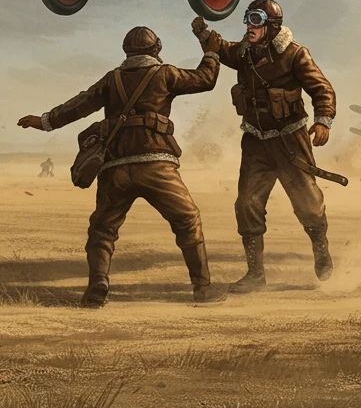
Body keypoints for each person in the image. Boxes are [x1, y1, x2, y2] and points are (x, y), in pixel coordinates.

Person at [17, 27, 225, 307]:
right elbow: (205, 79)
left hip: (115, 168)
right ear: (156, 50)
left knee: (102, 229)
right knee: (187, 220)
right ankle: (203, 288)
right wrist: (211, 52)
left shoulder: (112, 79)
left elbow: (80, 104)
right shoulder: (165, 74)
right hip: (156, 165)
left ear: (126, 51)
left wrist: (44, 121)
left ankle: (97, 285)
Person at [192, 0, 337, 292]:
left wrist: (323, 120)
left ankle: (320, 250)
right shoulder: (244, 53)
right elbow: (224, 49)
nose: (249, 26)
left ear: (272, 26)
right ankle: (255, 274)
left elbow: (322, 89)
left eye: (255, 20)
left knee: (307, 203)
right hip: (255, 142)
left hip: (289, 141)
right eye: (247, 19)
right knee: (247, 205)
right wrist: (204, 34)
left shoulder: (295, 54)